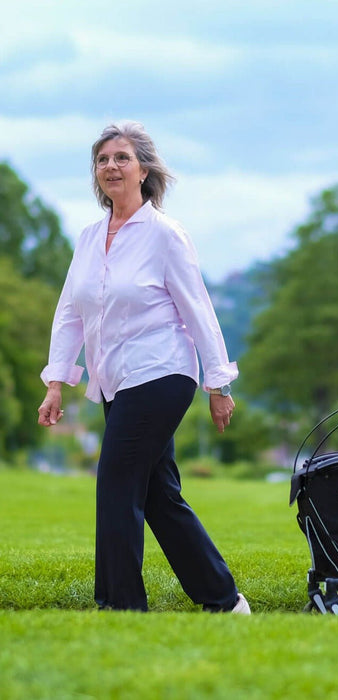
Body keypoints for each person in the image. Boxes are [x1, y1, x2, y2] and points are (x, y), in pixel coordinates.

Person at [37, 121, 250, 614]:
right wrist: (55, 382)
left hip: (162, 373)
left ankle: (120, 606)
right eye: (103, 159)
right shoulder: (90, 238)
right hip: (115, 381)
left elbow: (198, 309)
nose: (111, 166)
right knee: (158, 495)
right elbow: (70, 311)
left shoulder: (164, 234)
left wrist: (218, 383)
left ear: (144, 169)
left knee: (115, 480)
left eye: (122, 157)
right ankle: (224, 599)